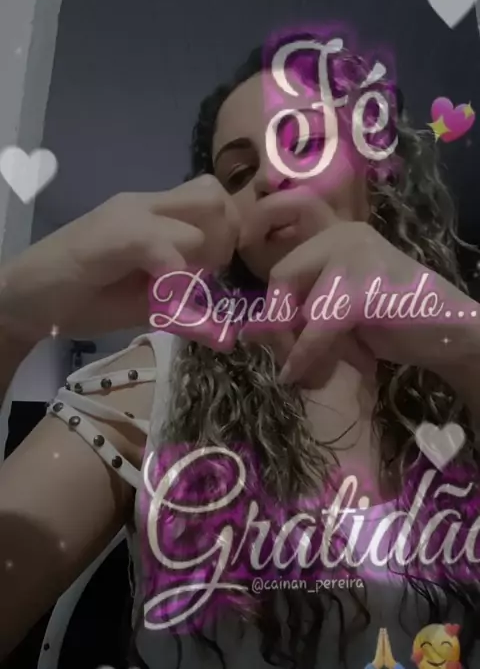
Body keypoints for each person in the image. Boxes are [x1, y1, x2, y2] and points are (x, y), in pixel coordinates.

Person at [0, 36, 478, 669]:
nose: (272, 177)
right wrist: (9, 318)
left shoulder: (459, 358)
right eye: (238, 174)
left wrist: (466, 342)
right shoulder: (156, 384)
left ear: (376, 170)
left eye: (304, 143)